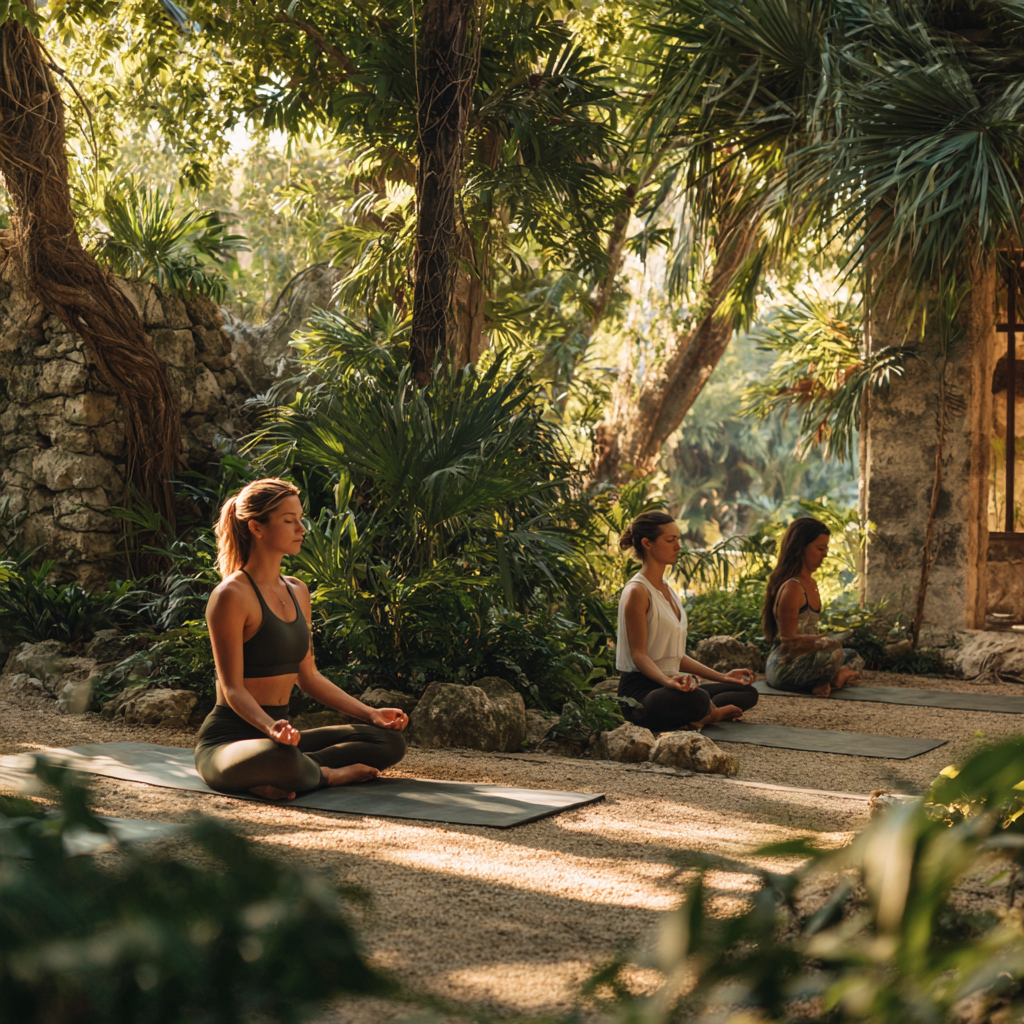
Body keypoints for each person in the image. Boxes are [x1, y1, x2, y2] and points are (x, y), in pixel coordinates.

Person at [195, 478, 408, 801]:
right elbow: (232, 688)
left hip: (282, 738)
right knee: (275, 756)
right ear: (257, 527)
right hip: (229, 741)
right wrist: (270, 728)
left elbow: (308, 676)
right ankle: (323, 775)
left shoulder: (297, 590)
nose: (301, 528)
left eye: (300, 518)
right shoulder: (230, 595)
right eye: (289, 521)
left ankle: (286, 773)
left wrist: (370, 713)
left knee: (388, 742)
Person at [615, 511, 759, 732]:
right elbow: (639, 655)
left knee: (746, 692)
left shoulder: (668, 591)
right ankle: (712, 714)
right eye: (670, 540)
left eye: (678, 539)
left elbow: (677, 657)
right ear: (647, 543)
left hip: (672, 686)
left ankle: (700, 714)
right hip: (641, 694)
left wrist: (724, 676)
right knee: (698, 697)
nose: (678, 546)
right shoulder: (638, 591)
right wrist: (668, 682)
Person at [762, 517, 861, 697]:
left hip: (810, 658)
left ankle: (830, 678)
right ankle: (832, 679)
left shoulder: (812, 584)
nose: (824, 555)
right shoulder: (793, 587)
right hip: (785, 666)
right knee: (834, 648)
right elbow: (789, 642)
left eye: (826, 550)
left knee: (852, 655)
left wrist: (824, 642)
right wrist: (823, 641)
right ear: (800, 549)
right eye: (820, 549)